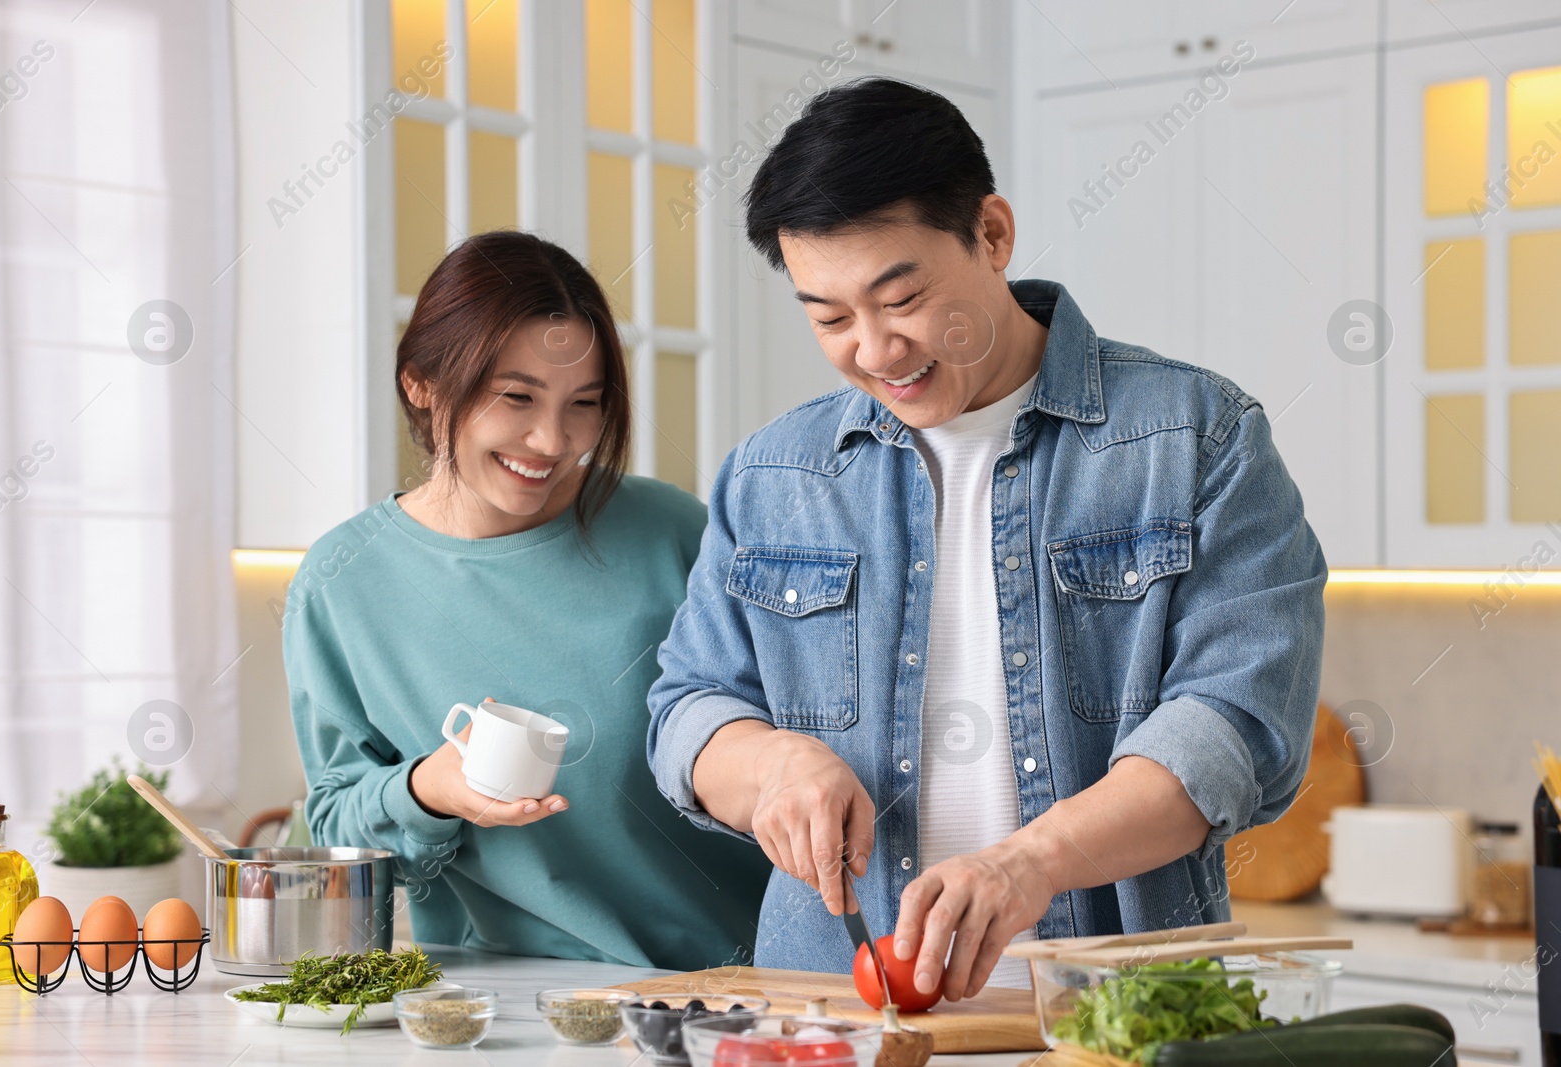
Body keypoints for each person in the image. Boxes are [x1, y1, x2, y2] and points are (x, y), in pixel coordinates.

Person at [647, 78, 1326, 998]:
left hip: (1115, 1013)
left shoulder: (1195, 436)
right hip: (833, 1012)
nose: (877, 350)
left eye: (903, 297)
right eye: (831, 317)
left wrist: (1028, 863)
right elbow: (688, 708)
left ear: (993, 234)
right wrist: (772, 763)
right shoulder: (774, 476)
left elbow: (1234, 726)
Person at [285, 231, 769, 969]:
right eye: (517, 397)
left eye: (584, 403)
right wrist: (426, 789)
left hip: (740, 979)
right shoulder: (342, 581)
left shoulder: (672, 532)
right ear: (422, 382)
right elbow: (335, 832)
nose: (552, 439)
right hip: (514, 999)